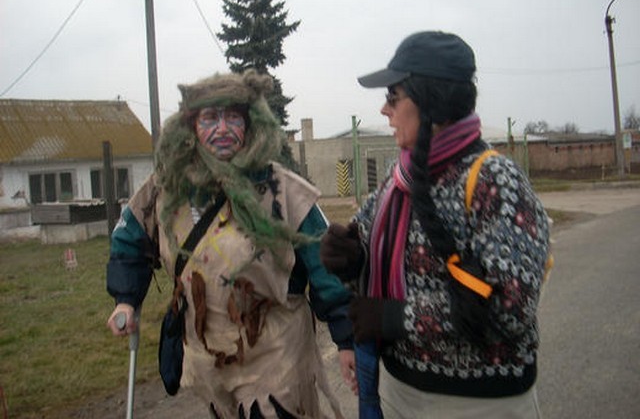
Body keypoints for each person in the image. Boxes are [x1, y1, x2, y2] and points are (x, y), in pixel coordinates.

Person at [321, 31, 550, 418]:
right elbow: (373, 276)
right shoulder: (398, 180)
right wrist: (351, 260)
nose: (384, 109)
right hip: (399, 393)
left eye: (393, 96)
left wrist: (397, 317)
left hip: (478, 405)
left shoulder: (496, 180)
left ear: (432, 103)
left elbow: (512, 307)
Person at [106, 69, 355, 418]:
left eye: (233, 117)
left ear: (250, 124)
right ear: (191, 126)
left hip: (275, 353)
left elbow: (325, 264)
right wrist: (126, 300)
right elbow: (130, 242)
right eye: (210, 117)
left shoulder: (281, 190)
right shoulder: (165, 189)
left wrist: (346, 339)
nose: (222, 129)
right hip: (207, 358)